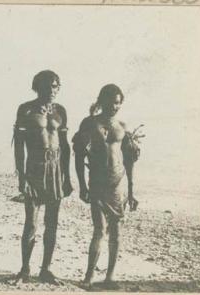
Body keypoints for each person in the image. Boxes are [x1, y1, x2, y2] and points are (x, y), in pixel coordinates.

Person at [72, 84, 140, 290]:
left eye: (118, 103)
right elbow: (79, 155)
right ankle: (88, 277)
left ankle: (110, 277)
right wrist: (82, 185)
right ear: (102, 102)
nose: (115, 106)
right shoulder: (89, 123)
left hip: (118, 183)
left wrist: (132, 190)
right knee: (99, 229)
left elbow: (128, 161)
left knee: (116, 231)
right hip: (98, 182)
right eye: (111, 102)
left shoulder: (122, 125)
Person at [13, 70, 73, 285]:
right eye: (48, 86)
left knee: (52, 222)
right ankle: (24, 269)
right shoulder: (26, 109)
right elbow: (19, 147)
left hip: (56, 169)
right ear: (38, 87)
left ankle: (46, 269)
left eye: (56, 86)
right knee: (31, 222)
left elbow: (65, 147)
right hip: (35, 168)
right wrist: (21, 176)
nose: (52, 90)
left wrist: (67, 177)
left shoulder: (60, 111)